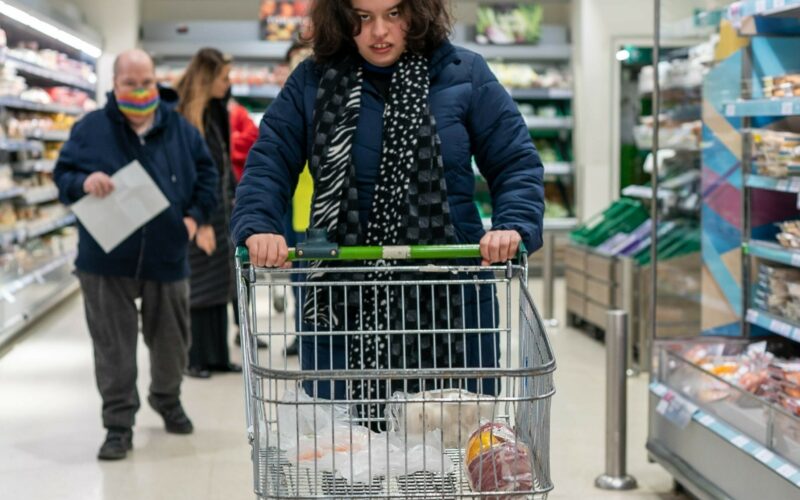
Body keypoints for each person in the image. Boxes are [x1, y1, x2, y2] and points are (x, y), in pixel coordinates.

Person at [231, 0, 543, 409]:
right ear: (341, 18)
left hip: (451, 295)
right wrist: (258, 225)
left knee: (448, 442)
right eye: (363, 17)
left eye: (394, 13)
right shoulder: (311, 81)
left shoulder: (464, 74)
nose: (379, 31)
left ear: (419, 11)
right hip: (342, 301)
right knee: (345, 450)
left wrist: (513, 225)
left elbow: (515, 161)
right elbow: (269, 160)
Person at [53, 49, 218, 460]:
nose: (140, 89)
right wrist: (83, 180)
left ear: (155, 79)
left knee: (172, 343)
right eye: (130, 83)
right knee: (113, 348)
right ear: (115, 84)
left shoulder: (180, 129)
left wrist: (194, 219)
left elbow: (207, 176)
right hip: (105, 259)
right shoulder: (90, 129)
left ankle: (167, 397)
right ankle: (118, 424)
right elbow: (63, 175)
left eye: (146, 81)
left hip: (167, 254)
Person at [175, 48, 242, 379]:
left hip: (220, 209)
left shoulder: (216, 112)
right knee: (199, 285)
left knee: (221, 283)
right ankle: (194, 358)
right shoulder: (185, 117)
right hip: (196, 211)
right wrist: (198, 220)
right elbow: (184, 172)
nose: (228, 84)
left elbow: (224, 164)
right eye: (223, 77)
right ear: (207, 78)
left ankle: (217, 356)